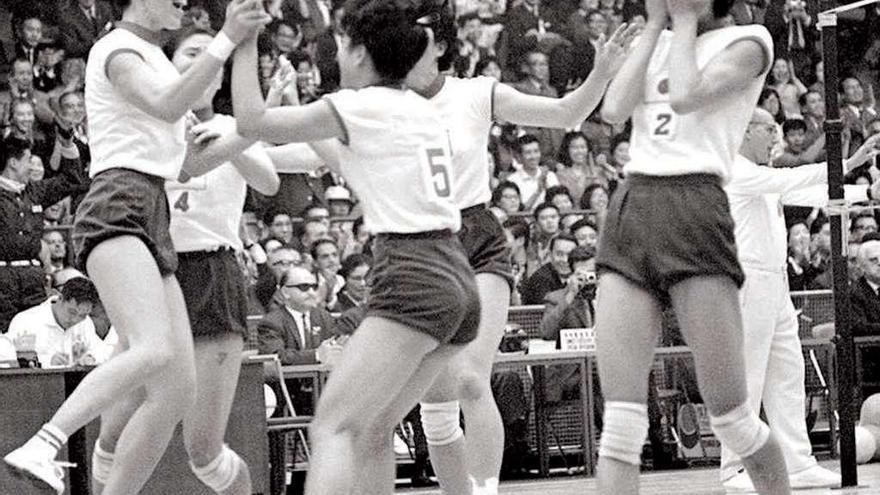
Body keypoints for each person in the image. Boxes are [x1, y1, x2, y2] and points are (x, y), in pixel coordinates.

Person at [2, 2, 271, 494]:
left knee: (176, 389)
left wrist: (255, 129)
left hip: (151, 214)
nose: (185, 4)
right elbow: (168, 105)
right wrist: (227, 38)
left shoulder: (158, 60)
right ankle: (43, 442)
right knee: (151, 348)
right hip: (118, 201)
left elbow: (188, 161)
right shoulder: (117, 47)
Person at [231, 0, 482, 492]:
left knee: (332, 425)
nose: (337, 54)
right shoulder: (417, 107)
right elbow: (327, 156)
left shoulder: (360, 106)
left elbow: (249, 119)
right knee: (371, 428)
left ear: (363, 53)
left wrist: (242, 43)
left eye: (343, 45)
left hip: (412, 271)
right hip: (456, 274)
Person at [597, 0, 790, 492]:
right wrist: (658, 26)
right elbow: (613, 110)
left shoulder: (750, 43)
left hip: (696, 203)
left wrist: (680, 22)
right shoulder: (658, 39)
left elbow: (685, 96)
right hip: (634, 200)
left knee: (732, 419)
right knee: (619, 427)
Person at [86, 26, 281, 495]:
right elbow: (179, 165)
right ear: (168, 67)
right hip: (151, 271)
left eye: (206, 56)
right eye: (188, 54)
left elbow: (270, 181)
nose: (198, 62)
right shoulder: (145, 129)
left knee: (204, 451)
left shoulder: (235, 127)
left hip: (213, 274)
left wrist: (238, 136)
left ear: (217, 78)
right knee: (111, 430)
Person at [721, 106, 880, 491]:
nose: (776, 137)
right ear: (746, 131)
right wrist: (847, 162)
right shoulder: (734, 169)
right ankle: (734, 467)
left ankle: (796, 461)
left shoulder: (765, 177)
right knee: (749, 375)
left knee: (788, 372)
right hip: (749, 279)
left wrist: (866, 192)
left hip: (775, 281)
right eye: (769, 130)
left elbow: (808, 191)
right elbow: (794, 178)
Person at [0, 134, 83, 334]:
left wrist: (67, 144)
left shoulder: (35, 192)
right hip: (2, 279)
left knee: (37, 332)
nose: (33, 167)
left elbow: (71, 181)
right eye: (28, 160)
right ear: (13, 162)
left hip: (34, 278)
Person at [6, 276, 107, 367]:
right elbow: (9, 358)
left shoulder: (85, 323)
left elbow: (104, 351)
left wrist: (91, 357)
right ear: (60, 299)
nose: (75, 320)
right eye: (71, 312)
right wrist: (46, 361)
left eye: (82, 315)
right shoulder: (26, 321)